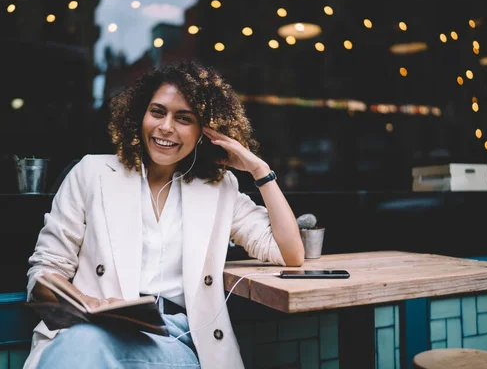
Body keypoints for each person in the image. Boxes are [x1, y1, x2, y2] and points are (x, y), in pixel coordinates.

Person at [22, 61, 304, 369]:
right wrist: (88, 303)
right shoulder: (92, 173)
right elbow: (44, 271)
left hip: (173, 339)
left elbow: (289, 253)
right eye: (157, 112)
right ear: (139, 115)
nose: (166, 127)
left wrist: (259, 170)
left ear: (204, 132)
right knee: (85, 343)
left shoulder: (219, 189)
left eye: (184, 118)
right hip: (92, 330)